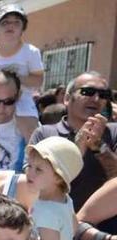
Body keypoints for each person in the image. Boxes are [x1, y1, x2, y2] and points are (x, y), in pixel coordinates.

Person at [29, 71, 117, 211]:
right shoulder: (45, 134)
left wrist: (100, 147)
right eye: (88, 91)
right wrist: (76, 150)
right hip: (57, 220)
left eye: (103, 95)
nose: (96, 98)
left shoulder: (113, 132)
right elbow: (34, 183)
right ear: (67, 98)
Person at [0, 4, 44, 141]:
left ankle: (36, 158)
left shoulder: (31, 52)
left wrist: (16, 78)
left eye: (16, 22)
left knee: (32, 134)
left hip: (22, 99)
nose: (11, 26)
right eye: (5, 22)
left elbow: (38, 80)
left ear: (22, 29)